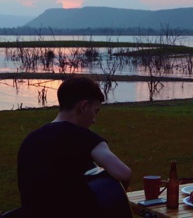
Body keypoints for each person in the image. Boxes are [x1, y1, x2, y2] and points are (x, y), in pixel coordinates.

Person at [17, 77, 132, 218]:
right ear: (83, 107)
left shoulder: (30, 140)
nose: (94, 119)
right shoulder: (84, 138)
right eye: (96, 111)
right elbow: (123, 173)